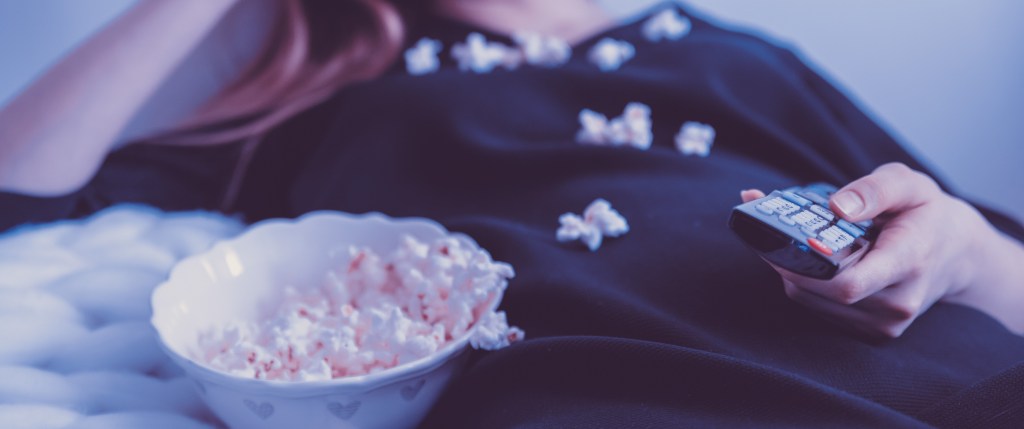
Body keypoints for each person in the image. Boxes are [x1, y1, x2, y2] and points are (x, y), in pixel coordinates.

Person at [1, 0, 1023, 426]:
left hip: (945, 372)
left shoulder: (728, 52)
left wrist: (966, 253)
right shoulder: (331, 91)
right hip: (610, 390)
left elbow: (998, 263)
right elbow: (21, 193)